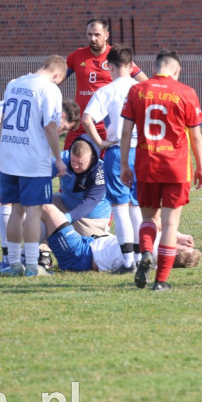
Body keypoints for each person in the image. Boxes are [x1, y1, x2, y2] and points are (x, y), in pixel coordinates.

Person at [120, 49, 202, 292]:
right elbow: (196, 136)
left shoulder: (137, 90)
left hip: (146, 164)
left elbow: (126, 132)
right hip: (176, 168)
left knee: (149, 219)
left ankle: (147, 251)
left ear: (156, 67)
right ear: (177, 70)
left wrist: (124, 165)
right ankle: (161, 280)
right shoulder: (186, 92)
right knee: (169, 225)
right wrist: (201, 168)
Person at [0, 99, 80, 273]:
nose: (61, 132)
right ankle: (8, 259)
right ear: (62, 116)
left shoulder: (29, 97)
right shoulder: (46, 111)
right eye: (64, 128)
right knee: (4, 201)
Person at [0, 55, 69, 277]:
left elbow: (2, 120)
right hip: (32, 159)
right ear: (57, 74)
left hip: (10, 155)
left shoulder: (14, 83)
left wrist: (0, 151)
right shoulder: (49, 89)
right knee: (34, 211)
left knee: (15, 210)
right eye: (59, 81)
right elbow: (49, 126)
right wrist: (58, 158)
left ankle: (14, 263)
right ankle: (30, 266)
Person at [81, 44, 144, 270]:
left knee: (120, 206)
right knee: (137, 206)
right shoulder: (143, 87)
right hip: (143, 151)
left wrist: (100, 143)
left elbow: (87, 119)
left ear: (110, 66)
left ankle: (128, 261)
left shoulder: (107, 90)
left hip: (118, 150)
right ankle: (142, 256)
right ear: (131, 65)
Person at [39, 204, 201, 272]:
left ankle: (19, 252)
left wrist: (179, 235)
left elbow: (158, 225)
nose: (184, 243)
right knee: (44, 212)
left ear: (174, 253)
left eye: (186, 247)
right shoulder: (155, 251)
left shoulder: (153, 249)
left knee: (46, 207)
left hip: (81, 255)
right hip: (89, 244)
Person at [64, 18, 147, 150]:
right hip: (82, 123)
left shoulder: (116, 56)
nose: (93, 38)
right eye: (89, 34)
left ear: (106, 35)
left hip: (107, 127)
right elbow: (57, 79)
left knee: (105, 168)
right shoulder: (77, 55)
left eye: (97, 35)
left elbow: (145, 82)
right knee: (69, 163)